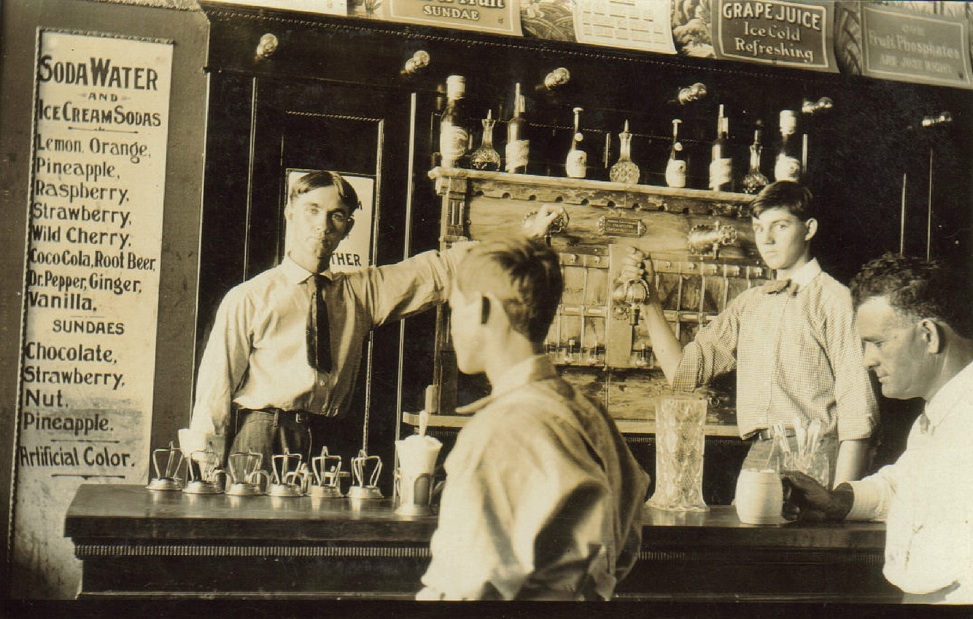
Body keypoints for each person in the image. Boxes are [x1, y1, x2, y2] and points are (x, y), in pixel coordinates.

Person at [182, 170, 564, 472]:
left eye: (337, 216)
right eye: (312, 210)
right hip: (260, 438)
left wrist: (524, 235)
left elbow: (440, 269)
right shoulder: (249, 296)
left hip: (328, 440)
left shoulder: (360, 292)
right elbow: (216, 384)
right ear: (290, 213)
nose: (323, 225)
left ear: (347, 228)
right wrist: (207, 462)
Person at [417, 236, 651, 601]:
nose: (451, 326)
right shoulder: (590, 413)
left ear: (483, 309)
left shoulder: (498, 431)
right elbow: (626, 543)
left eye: (453, 309)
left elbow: (466, 589)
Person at [626, 181, 878, 486]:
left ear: (808, 229)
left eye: (780, 226)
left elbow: (857, 412)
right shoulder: (749, 305)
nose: (767, 240)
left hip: (816, 454)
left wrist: (840, 501)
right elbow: (681, 373)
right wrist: (650, 300)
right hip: (760, 452)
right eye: (759, 228)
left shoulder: (835, 301)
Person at [784, 253, 973, 604]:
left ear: (928, 335)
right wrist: (839, 501)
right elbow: (905, 486)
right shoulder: (939, 415)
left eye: (878, 342)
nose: (867, 359)